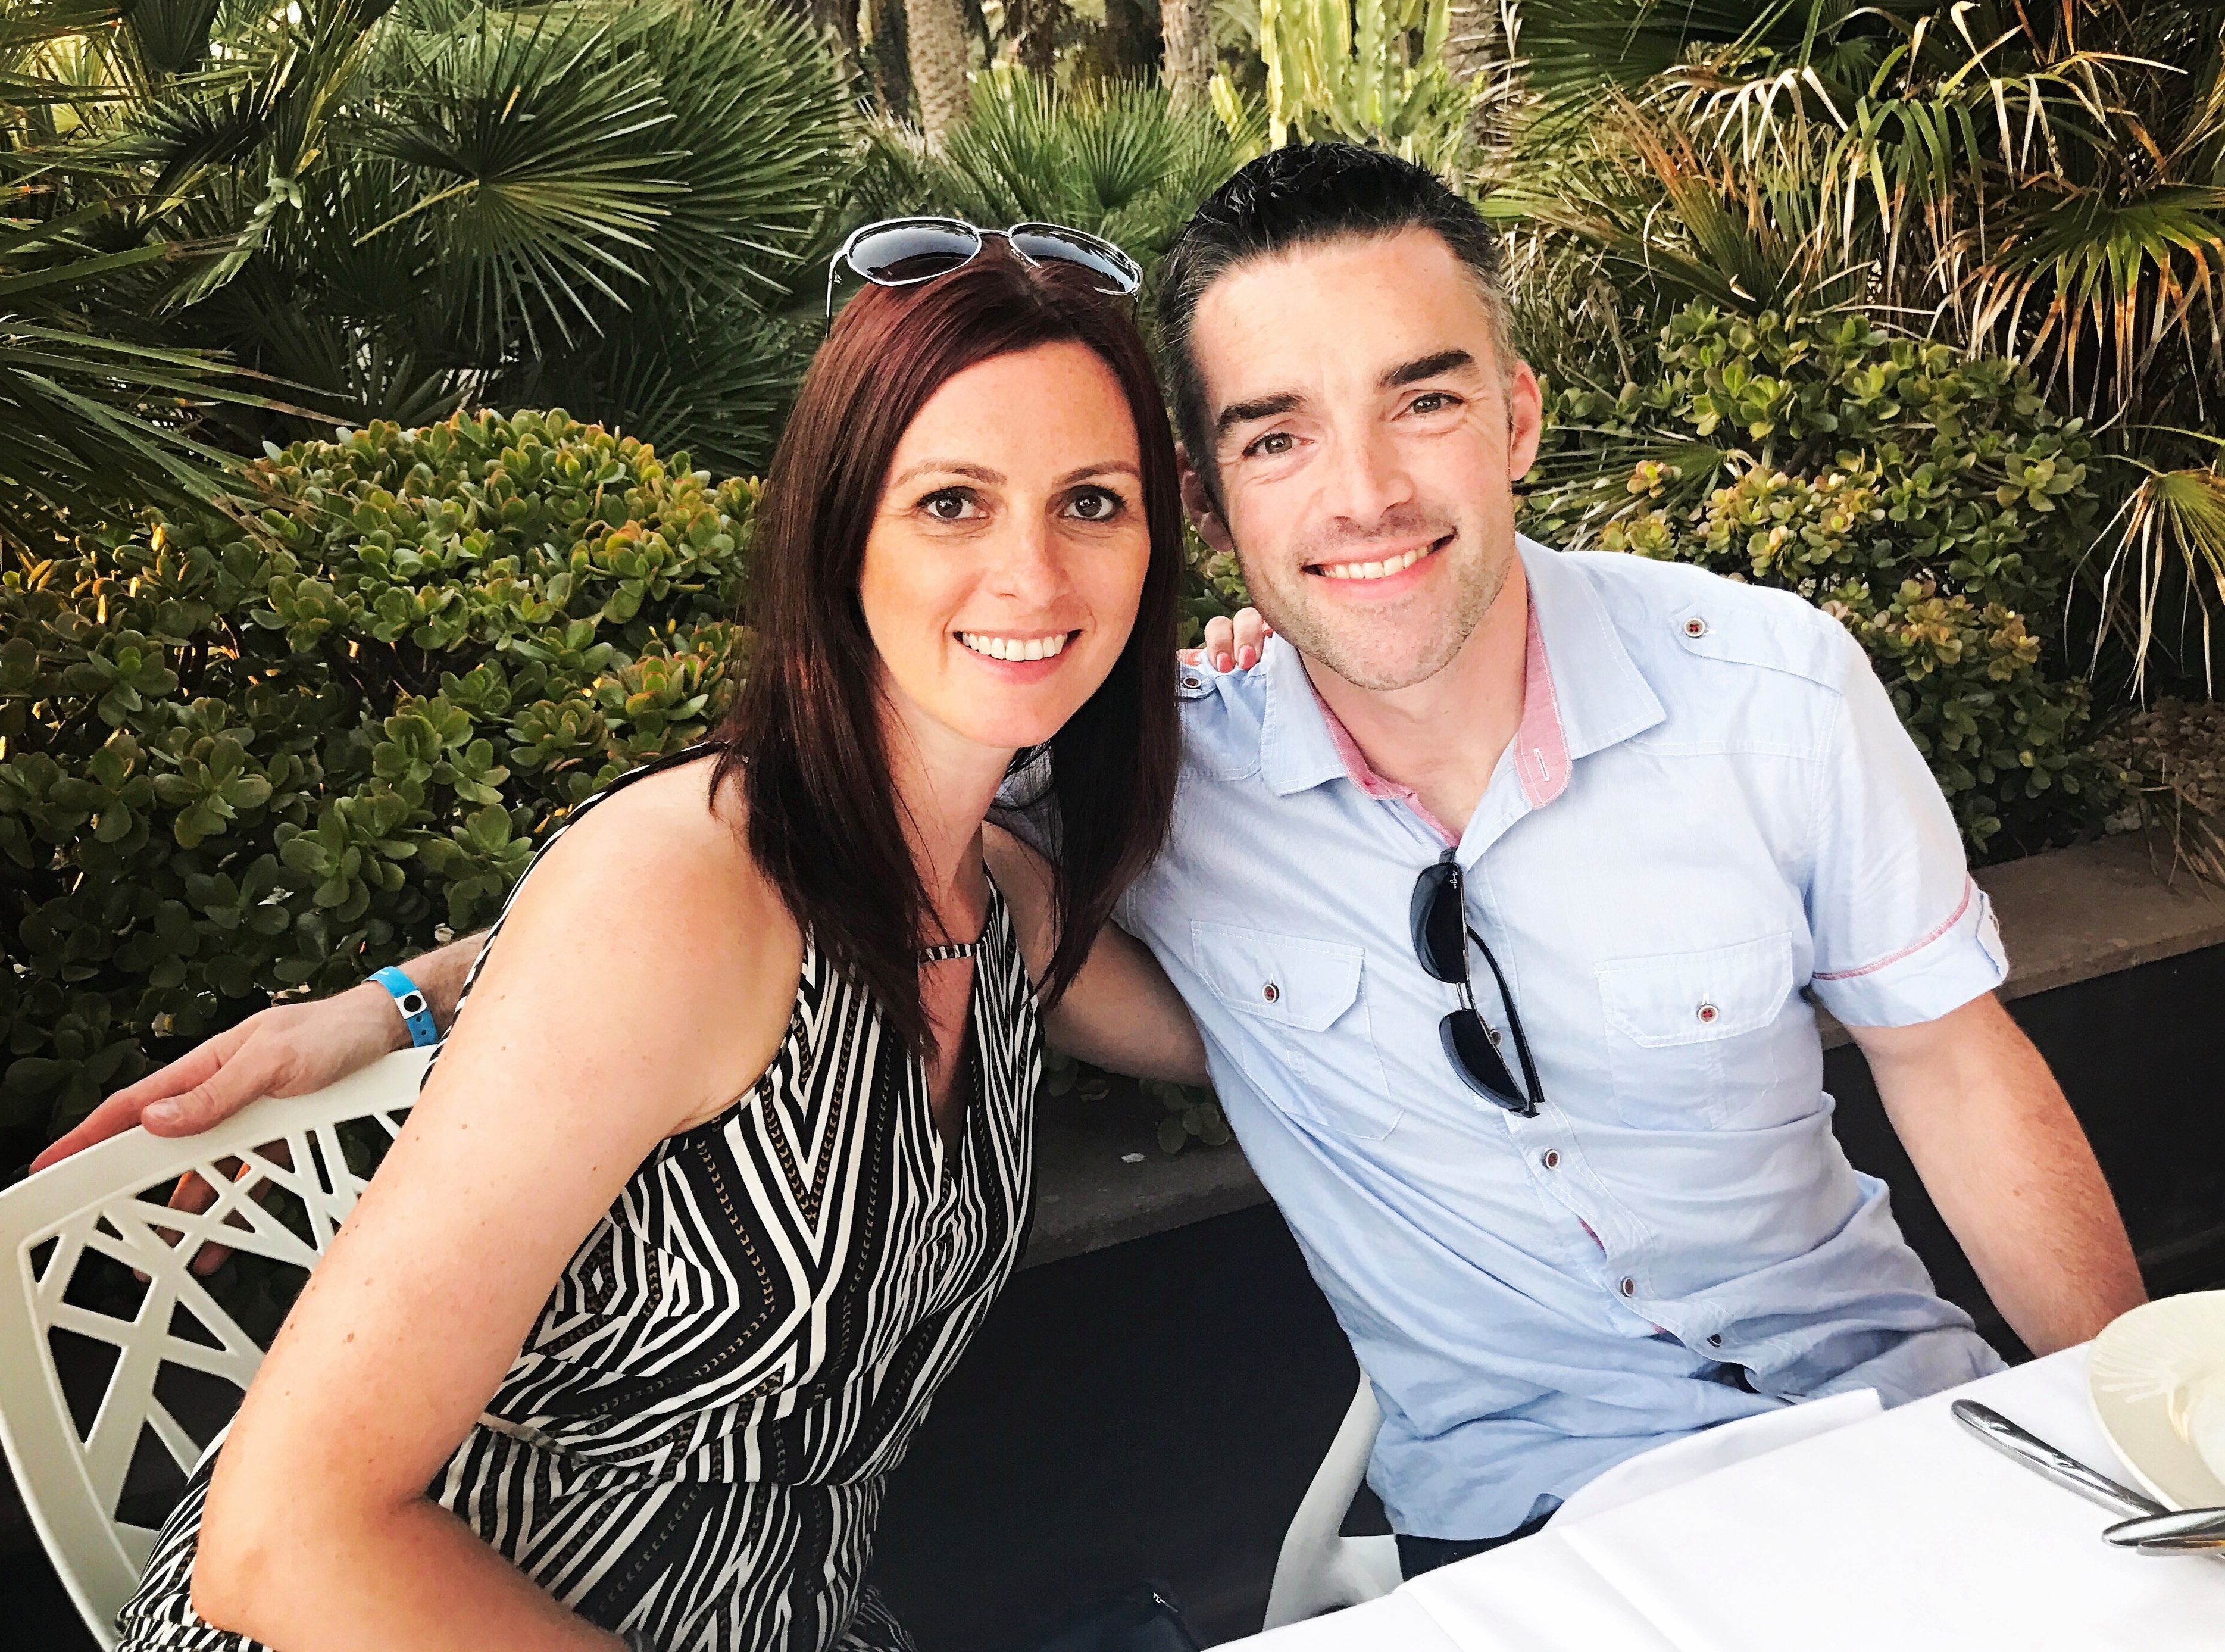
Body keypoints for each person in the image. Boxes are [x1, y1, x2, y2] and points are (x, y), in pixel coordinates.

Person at [48, 146, 2147, 1589]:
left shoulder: (1740, 692)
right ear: (1220, 502)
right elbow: (721, 873)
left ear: (1513, 416)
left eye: (1084, 503)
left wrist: (2144, 1423)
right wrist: (392, 1002)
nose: (1359, 494)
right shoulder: (995, 821)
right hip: (1514, 1530)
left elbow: (1952, 1062)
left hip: (1893, 1422)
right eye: (1272, 433)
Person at [90, 233, 1223, 1652]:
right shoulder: (674, 885)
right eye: (951, 501)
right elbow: (280, 1547)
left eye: (1092, 503)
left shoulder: (1004, 907)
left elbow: (1273, 1026)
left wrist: (1318, 702)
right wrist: (408, 994)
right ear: (839, 532)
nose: (1033, 573)